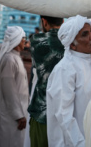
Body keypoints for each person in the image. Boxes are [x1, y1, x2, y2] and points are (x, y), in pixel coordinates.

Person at [46, 15, 91, 147]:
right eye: (85, 34)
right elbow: (64, 115)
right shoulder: (65, 69)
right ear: (72, 44)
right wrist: (81, 144)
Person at [28, 16, 64, 147]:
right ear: (63, 21)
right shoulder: (71, 41)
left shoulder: (36, 41)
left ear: (44, 22)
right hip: (66, 113)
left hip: (42, 112)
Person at [0, 26, 29, 147]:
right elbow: (9, 90)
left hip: (20, 111)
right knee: (10, 141)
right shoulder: (9, 59)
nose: (25, 41)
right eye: (23, 38)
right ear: (16, 40)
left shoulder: (15, 57)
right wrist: (19, 115)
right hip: (12, 115)